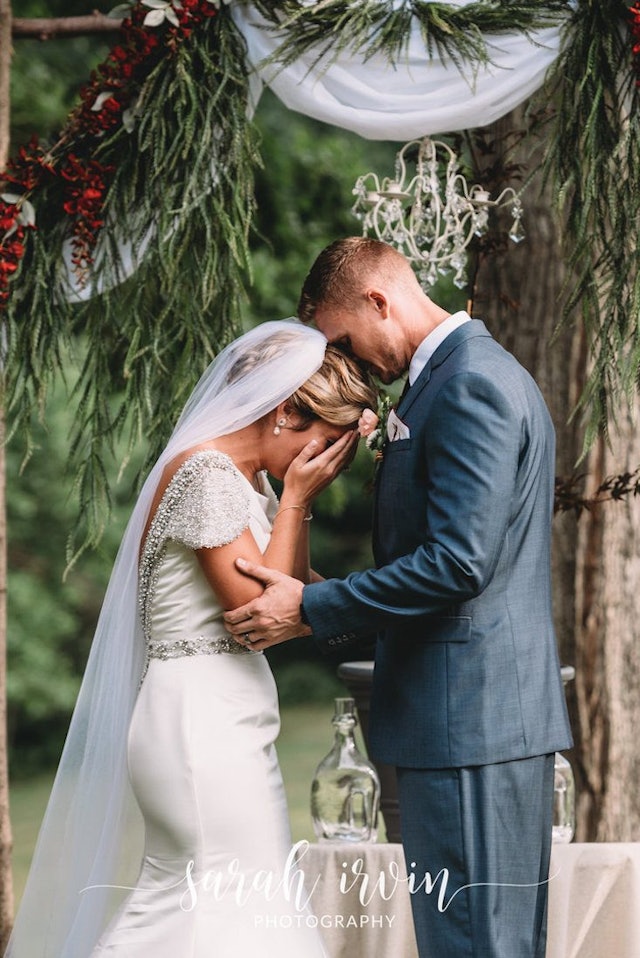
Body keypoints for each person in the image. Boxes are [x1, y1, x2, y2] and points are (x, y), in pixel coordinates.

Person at [224, 238, 574, 958]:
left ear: (378, 301)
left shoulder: (467, 384)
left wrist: (314, 609)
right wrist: (322, 595)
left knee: (474, 945)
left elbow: (458, 564)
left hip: (467, 722)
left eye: (342, 340)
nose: (344, 361)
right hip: (475, 719)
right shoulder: (463, 376)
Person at [6, 319, 377, 958]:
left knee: (212, 901)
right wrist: (296, 500)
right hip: (196, 723)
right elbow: (259, 614)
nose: (321, 467)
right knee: (222, 898)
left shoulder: (249, 481)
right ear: (286, 413)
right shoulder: (206, 473)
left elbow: (292, 592)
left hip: (223, 719)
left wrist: (298, 503)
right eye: (322, 446)